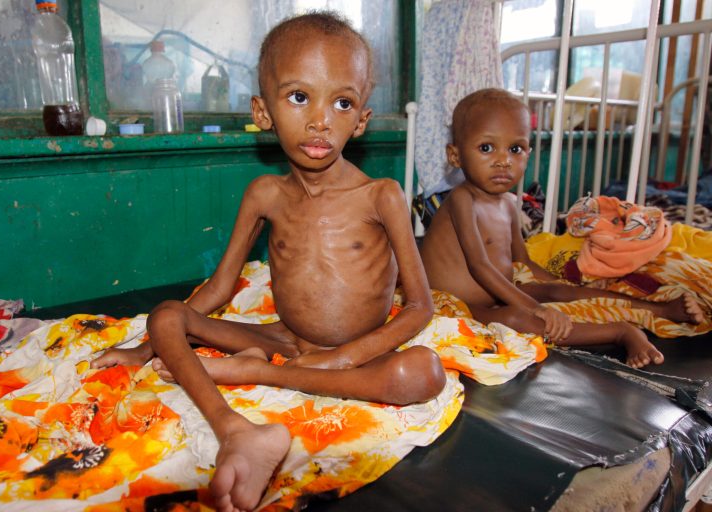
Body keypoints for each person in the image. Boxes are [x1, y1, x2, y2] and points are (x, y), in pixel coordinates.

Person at [92, 11, 445, 512]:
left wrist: (344, 357)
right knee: (168, 315)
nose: (321, 119)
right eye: (300, 97)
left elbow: (420, 308)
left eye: (342, 102)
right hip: (282, 336)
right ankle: (235, 429)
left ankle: (258, 375)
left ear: (361, 120)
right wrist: (145, 350)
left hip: (355, 350)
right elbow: (217, 291)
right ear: (263, 111)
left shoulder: (381, 196)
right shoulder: (264, 194)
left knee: (422, 374)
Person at [419, 88, 704, 371]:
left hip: (498, 292)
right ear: (455, 156)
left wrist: (564, 288)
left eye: (515, 149)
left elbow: (522, 262)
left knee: (558, 290)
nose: (503, 160)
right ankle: (621, 332)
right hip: (456, 305)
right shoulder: (461, 200)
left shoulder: (507, 204)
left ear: (528, 152)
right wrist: (535, 307)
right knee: (518, 319)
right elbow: (479, 266)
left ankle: (662, 310)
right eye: (486, 148)